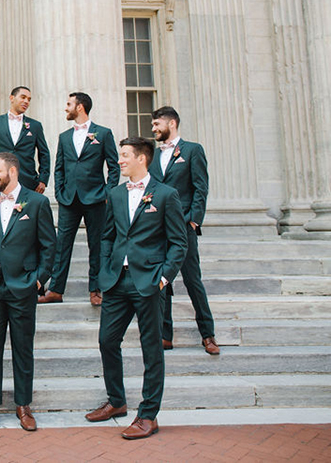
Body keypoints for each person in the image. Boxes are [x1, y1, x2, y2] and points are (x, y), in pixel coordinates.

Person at [86, 137, 187, 440]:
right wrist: (105, 270)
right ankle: (117, 401)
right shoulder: (116, 194)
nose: (119, 160)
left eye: (125, 155)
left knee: (151, 349)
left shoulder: (166, 195)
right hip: (117, 281)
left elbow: (179, 243)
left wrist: (164, 277)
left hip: (149, 281)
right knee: (106, 340)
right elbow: (107, 236)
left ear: (142, 159)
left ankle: (148, 415)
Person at [0, 153, 55, 432]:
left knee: (23, 347)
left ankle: (23, 404)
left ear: (12, 171)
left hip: (23, 286)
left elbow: (49, 246)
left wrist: (39, 280)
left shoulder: (38, 203)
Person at [150, 106, 218, 355]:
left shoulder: (192, 150)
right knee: (163, 282)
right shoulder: (154, 157)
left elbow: (201, 187)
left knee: (193, 281)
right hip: (159, 229)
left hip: (184, 227)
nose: (154, 129)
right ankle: (165, 335)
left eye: (157, 124)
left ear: (172, 124)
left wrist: (193, 220)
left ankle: (208, 335)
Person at [42, 92, 119, 305]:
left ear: (80, 107)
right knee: (61, 244)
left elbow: (113, 167)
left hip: (96, 198)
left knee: (97, 245)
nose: (66, 108)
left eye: (69, 104)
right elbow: (59, 168)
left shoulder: (103, 134)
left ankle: (96, 289)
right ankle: (56, 290)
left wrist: (108, 193)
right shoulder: (64, 137)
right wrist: (59, 191)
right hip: (69, 199)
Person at [0, 86, 50, 196]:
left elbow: (44, 154)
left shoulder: (35, 126)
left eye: (29, 99)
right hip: (0, 181)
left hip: (28, 182)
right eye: (23, 97)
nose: (26, 101)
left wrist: (43, 180)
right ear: (12, 98)